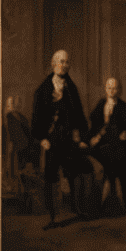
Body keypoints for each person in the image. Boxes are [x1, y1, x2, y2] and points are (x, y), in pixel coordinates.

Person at [29, 48, 89, 228]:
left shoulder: (71, 88)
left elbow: (79, 114)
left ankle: (77, 209)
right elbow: (37, 117)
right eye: (60, 61)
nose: (64, 65)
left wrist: (82, 137)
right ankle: (52, 216)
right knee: (51, 176)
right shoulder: (43, 89)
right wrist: (41, 138)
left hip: (69, 138)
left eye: (66, 62)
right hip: (51, 140)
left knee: (74, 173)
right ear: (53, 64)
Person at [87, 76, 126, 218]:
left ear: (119, 90)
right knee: (99, 170)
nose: (112, 90)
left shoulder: (125, 108)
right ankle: (96, 208)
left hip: (119, 148)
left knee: (123, 172)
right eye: (109, 88)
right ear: (105, 89)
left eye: (115, 88)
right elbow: (93, 127)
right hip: (102, 148)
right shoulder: (100, 105)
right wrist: (94, 137)